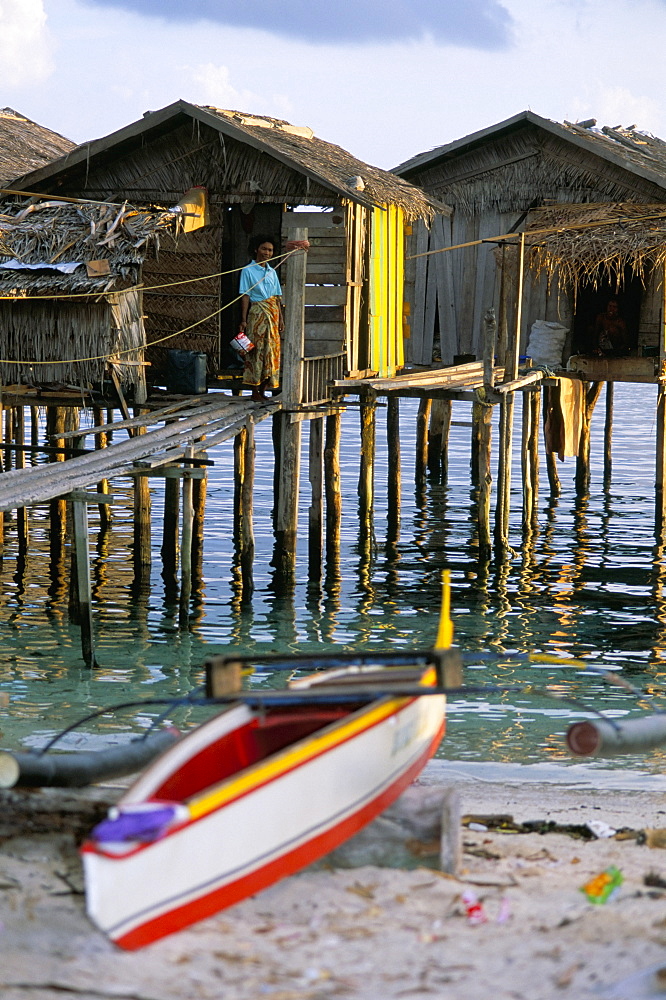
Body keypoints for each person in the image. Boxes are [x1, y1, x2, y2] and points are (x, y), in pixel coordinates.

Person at [239, 235, 284, 401]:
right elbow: (245, 296)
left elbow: (277, 298)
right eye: (264, 249)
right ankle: (254, 391)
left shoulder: (272, 272)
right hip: (257, 313)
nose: (267, 253)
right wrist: (243, 320)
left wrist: (281, 319)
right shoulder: (247, 271)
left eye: (270, 250)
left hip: (273, 315)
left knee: (271, 351)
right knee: (256, 351)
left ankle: (264, 389)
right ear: (256, 249)